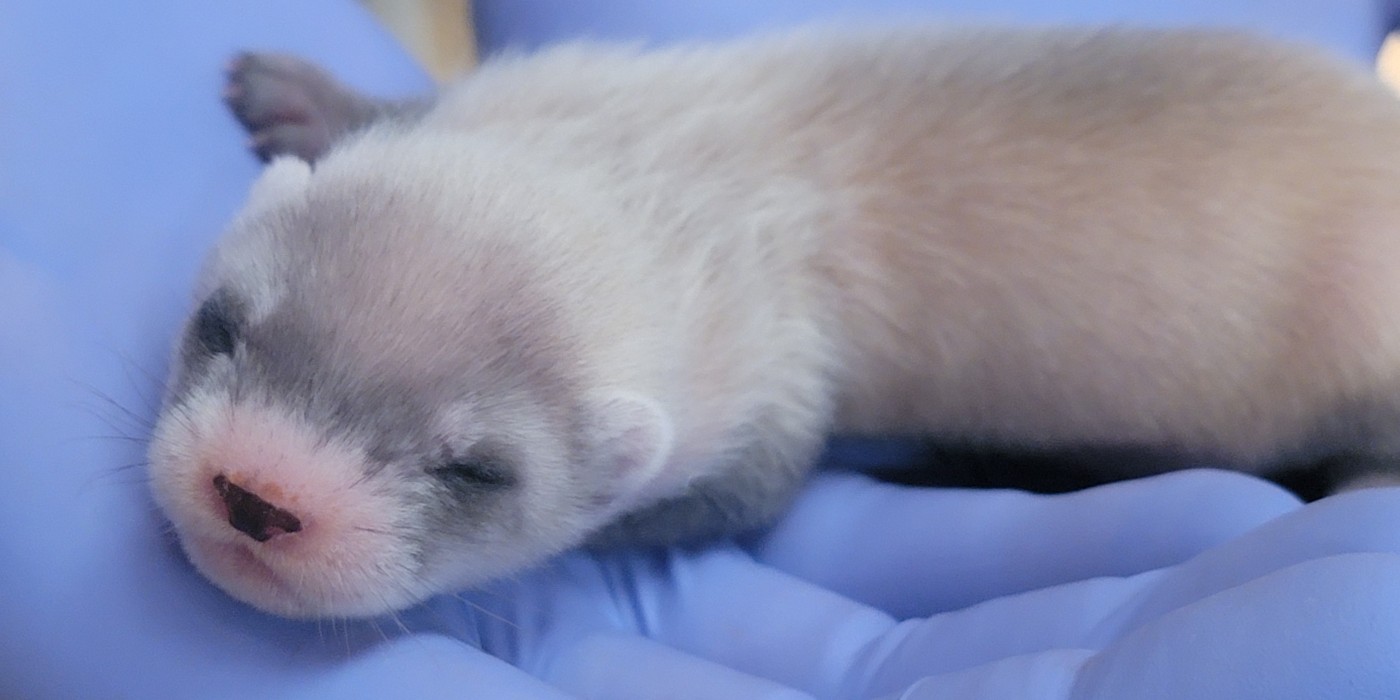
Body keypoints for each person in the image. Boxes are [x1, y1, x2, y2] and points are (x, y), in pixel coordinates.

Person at [3, 1, 1398, 697]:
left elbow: (753, 470)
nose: (257, 472)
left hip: (1327, 283)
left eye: (471, 472)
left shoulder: (715, 352)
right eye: (229, 335)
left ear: (626, 463)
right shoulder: (544, 110)